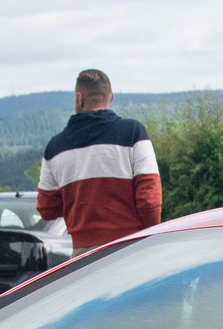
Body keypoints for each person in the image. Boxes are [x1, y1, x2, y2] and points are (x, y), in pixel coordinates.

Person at [36, 69, 160, 252]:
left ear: (79, 98)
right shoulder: (134, 133)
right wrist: (151, 235)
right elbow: (150, 199)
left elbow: (46, 209)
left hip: (82, 254)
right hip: (131, 248)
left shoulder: (55, 147)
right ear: (111, 97)